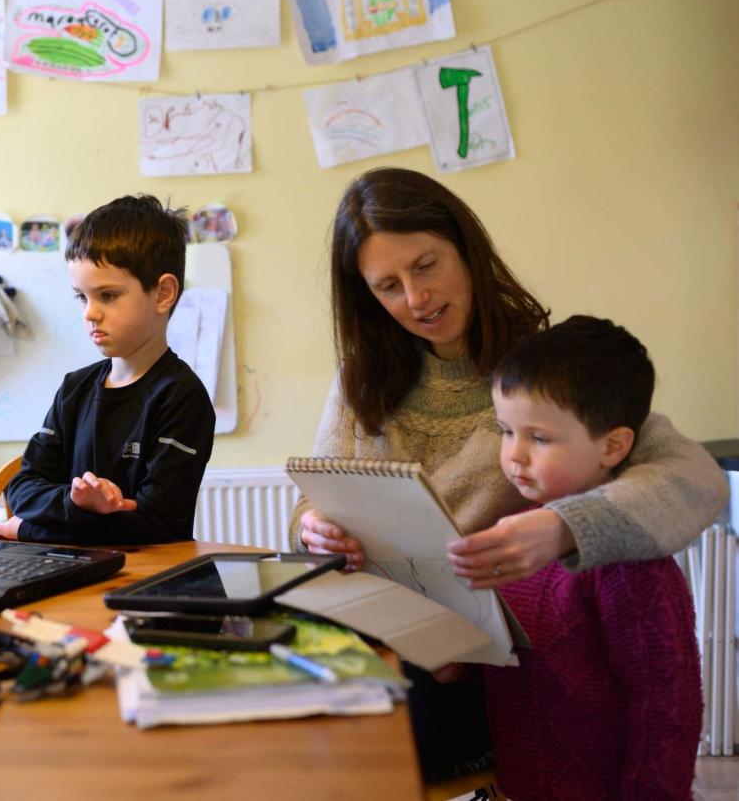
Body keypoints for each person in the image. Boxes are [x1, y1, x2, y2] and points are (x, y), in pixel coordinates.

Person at [289, 167, 724, 777]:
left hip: (501, 674)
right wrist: (314, 528)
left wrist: (562, 527)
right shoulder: (360, 383)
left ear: (466, 249)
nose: (416, 299)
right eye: (387, 286)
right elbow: (314, 505)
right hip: (394, 641)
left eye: (426, 265)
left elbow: (695, 478)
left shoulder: (542, 371)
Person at [482, 315, 701, 798]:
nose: (513, 456)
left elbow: (667, 706)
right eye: (505, 430)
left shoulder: (632, 563)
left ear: (613, 446)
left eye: (538, 438)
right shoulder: (521, 534)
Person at [0, 194, 216, 545]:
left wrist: (29, 529)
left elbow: (154, 524)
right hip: (70, 572)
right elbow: (22, 488)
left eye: (107, 296)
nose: (89, 313)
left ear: (162, 293)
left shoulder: (182, 397)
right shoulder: (74, 389)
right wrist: (75, 502)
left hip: (150, 582)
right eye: (82, 296)